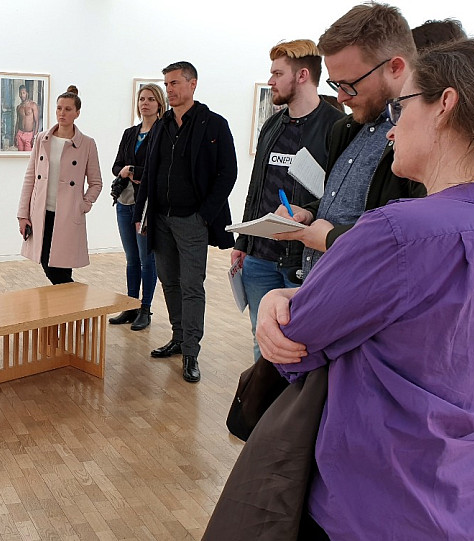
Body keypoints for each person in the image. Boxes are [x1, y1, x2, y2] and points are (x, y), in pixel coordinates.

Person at [255, 37, 474, 540]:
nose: (393, 129)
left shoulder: (397, 233)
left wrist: (277, 299)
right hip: (460, 502)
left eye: (403, 106)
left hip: (372, 499)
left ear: (444, 105)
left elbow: (295, 340)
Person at [274, 3, 425, 280]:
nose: (341, 98)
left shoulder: (427, 135)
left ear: (395, 67)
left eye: (349, 85)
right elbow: (341, 204)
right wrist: (309, 213)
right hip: (321, 286)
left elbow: (417, 233)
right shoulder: (346, 128)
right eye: (335, 85)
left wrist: (332, 238)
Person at [232, 40, 345, 361]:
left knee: (301, 347)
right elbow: (257, 188)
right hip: (260, 258)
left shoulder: (337, 128)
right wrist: (243, 242)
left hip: (306, 260)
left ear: (302, 75)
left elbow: (339, 197)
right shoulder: (272, 125)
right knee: (263, 343)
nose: (270, 81)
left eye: (278, 74)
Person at [133, 62, 238, 383]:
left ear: (193, 84)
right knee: (169, 281)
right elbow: (150, 173)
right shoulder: (162, 125)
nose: (170, 89)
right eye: (167, 84)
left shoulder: (213, 124)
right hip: (160, 218)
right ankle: (178, 337)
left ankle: (191, 351)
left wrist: (204, 214)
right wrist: (141, 214)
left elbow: (228, 173)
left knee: (192, 285)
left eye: (175, 83)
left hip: (193, 220)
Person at [17, 85, 102, 284]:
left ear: (77, 113)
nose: (62, 113)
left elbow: (96, 183)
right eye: (59, 108)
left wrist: (84, 204)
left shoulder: (87, 144)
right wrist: (23, 214)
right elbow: (30, 177)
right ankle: (72, 301)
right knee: (48, 264)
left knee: (61, 267)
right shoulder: (42, 139)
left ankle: (71, 302)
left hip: (68, 214)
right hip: (41, 212)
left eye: (68, 109)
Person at [107, 83, 166, 331]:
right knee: (132, 259)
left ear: (159, 104)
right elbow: (116, 166)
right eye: (142, 99)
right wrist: (126, 170)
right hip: (124, 202)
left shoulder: (163, 132)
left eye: (151, 99)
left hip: (147, 206)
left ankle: (145, 309)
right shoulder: (130, 133)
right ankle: (130, 306)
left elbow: (162, 169)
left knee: (147, 259)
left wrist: (133, 170)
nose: (145, 103)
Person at [15, 84, 40, 151]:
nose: (21, 95)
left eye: (23, 93)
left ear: (27, 93)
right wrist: (15, 135)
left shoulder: (33, 105)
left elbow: (37, 122)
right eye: (20, 93)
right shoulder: (19, 107)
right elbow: (17, 122)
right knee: (20, 155)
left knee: (28, 155)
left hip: (29, 135)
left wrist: (34, 137)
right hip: (20, 134)